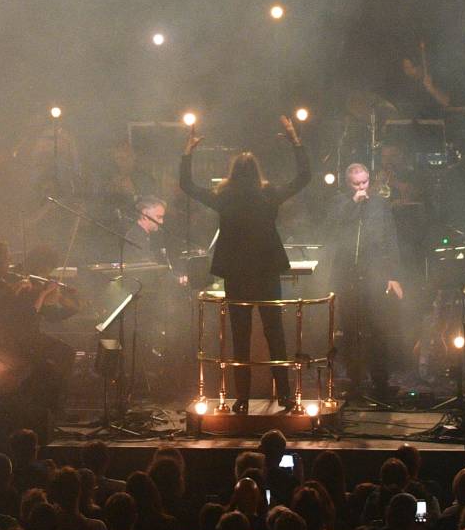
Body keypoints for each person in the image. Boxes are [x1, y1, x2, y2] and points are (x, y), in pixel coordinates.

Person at [178, 117, 312, 412]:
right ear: (256, 173)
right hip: (265, 272)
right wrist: (295, 141)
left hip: (237, 274)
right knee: (275, 333)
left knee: (240, 337)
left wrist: (187, 152)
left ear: (233, 174)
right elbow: (304, 177)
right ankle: (285, 395)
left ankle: (241, 398)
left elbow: (186, 185)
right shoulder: (269, 194)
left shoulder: (223, 197)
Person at [0, 241, 73, 418]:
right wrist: (41, 293)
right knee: (59, 356)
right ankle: (48, 409)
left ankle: (46, 408)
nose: (9, 264)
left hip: (19, 337)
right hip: (3, 341)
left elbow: (26, 311)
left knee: (63, 353)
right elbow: (27, 312)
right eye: (4, 261)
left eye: (8, 260)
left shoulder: (4, 282)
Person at [328, 162, 403, 400]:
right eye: (356, 184)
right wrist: (353, 204)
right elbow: (332, 228)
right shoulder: (341, 203)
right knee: (350, 330)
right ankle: (355, 379)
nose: (361, 187)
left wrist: (393, 275)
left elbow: (391, 239)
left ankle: (380, 380)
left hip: (375, 274)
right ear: (348, 184)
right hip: (348, 276)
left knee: (378, 329)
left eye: (365, 182)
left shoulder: (380, 204)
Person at [123, 197, 172, 266]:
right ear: (144, 215)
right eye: (159, 217)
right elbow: (148, 268)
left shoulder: (143, 235)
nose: (161, 222)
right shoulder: (136, 237)